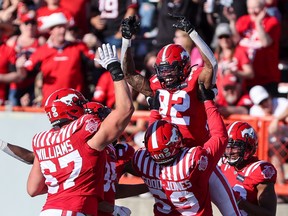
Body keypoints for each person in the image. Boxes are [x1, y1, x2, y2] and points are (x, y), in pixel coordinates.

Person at [121, 15, 240, 215]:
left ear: (184, 66)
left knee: (231, 211)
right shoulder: (157, 84)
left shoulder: (195, 79)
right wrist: (126, 40)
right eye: (163, 70)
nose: (166, 75)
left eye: (171, 70)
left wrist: (193, 33)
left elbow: (212, 65)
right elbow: (129, 74)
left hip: (198, 157)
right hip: (169, 159)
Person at [26, 43, 134, 215]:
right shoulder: (83, 132)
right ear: (73, 108)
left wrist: (63, 182)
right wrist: (115, 70)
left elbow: (33, 189)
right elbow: (125, 110)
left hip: (48, 210)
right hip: (73, 211)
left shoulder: (42, 140)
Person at [132, 83, 229, 215]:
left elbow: (153, 142)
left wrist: (155, 111)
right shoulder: (191, 161)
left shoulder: (142, 161)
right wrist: (208, 101)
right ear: (176, 143)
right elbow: (220, 137)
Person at [16, 12, 96, 105]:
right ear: (51, 30)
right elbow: (25, 74)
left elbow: (95, 63)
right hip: (51, 105)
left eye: (63, 27)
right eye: (58, 27)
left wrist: (98, 50)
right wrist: (19, 67)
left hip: (75, 103)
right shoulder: (42, 51)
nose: (62, 30)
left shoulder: (78, 47)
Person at [220, 121, 277, 215]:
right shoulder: (223, 165)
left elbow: (269, 214)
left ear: (249, 147)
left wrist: (240, 202)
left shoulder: (259, 170)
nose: (229, 151)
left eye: (235, 147)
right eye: (227, 146)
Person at [226, 0, 281, 96]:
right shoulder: (243, 20)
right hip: (246, 78)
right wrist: (232, 22)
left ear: (264, 8)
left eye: (256, 8)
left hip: (267, 77)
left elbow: (266, 43)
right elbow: (235, 41)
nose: (252, 11)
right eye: (250, 8)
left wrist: (258, 23)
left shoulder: (272, 22)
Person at [249, 85, 288, 186]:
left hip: (285, 141)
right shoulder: (254, 111)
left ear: (270, 97)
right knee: (274, 156)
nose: (265, 104)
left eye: (265, 100)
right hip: (270, 148)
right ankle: (281, 188)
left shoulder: (281, 102)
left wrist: (277, 119)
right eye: (261, 103)